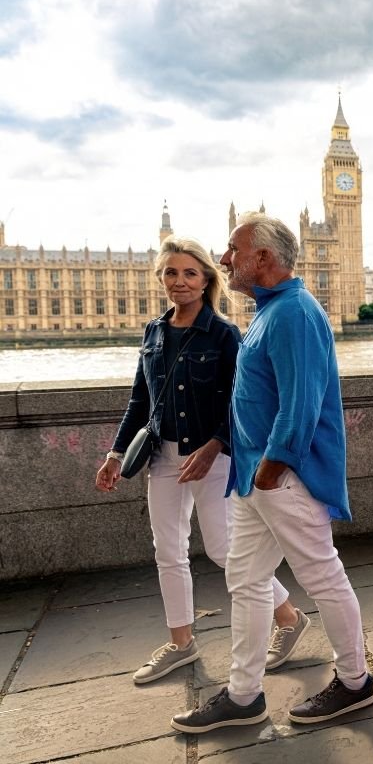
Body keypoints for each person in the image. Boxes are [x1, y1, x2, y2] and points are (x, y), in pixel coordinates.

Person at [170, 213, 373, 733]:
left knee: (322, 577)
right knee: (245, 582)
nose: (223, 260)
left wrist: (272, 468)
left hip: (284, 477)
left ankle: (355, 682)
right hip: (253, 479)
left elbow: (301, 404)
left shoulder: (293, 314)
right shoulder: (269, 312)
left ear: (263, 257)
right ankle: (244, 695)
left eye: (232, 250)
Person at [95, 235, 303, 685]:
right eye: (171, 272)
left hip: (213, 455)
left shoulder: (224, 334)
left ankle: (288, 618)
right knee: (167, 551)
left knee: (224, 550)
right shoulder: (153, 332)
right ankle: (182, 643)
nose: (180, 281)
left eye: (190, 272)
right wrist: (115, 453)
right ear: (161, 278)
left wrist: (214, 447)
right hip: (162, 456)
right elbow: (139, 400)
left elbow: (242, 402)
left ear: (206, 278)